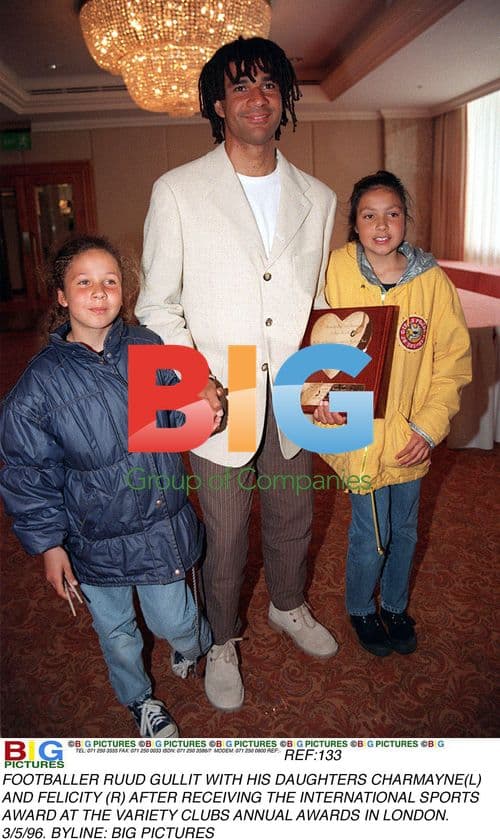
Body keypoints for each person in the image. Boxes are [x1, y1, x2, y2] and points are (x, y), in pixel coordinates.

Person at [136, 36, 339, 712]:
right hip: (215, 391)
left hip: (295, 386)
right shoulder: (178, 190)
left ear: (285, 99)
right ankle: (222, 636)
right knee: (223, 533)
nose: (257, 98)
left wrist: (334, 367)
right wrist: (189, 375)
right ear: (218, 103)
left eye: (269, 85)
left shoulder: (320, 195)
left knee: (294, 515)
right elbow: (156, 305)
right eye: (241, 86)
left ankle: (287, 603)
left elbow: (314, 302)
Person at [0, 234, 214, 737]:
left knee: (175, 622)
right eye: (84, 282)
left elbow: (178, 411)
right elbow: (28, 473)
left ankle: (197, 643)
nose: (99, 292)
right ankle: (140, 702)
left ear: (125, 291)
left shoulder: (147, 346)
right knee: (116, 634)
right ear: (61, 296)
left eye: (110, 281)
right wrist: (49, 544)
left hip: (158, 523)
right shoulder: (39, 385)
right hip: (91, 539)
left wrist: (206, 402)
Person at [314, 170, 472, 657]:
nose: (381, 225)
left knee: (404, 529)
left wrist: (429, 427)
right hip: (357, 430)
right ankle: (361, 605)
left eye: (392, 214)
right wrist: (318, 397)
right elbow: (311, 340)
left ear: (406, 219)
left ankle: (396, 604)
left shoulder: (432, 284)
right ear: (354, 224)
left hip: (411, 435)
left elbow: (452, 363)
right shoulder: (333, 269)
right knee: (371, 532)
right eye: (369, 215)